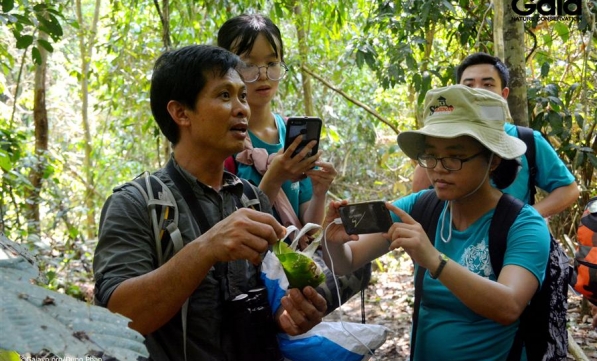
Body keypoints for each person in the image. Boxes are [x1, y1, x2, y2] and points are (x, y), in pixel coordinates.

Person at [93, 45, 327, 360]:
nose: (243, 108)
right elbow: (118, 317)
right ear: (180, 113)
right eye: (224, 95)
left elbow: (258, 304)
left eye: (242, 96)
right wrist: (206, 248)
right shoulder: (137, 203)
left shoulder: (251, 198)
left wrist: (287, 318)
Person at [322, 85, 550, 360]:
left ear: (493, 160)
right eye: (430, 156)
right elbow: (347, 262)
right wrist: (333, 242)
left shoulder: (524, 226)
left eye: (454, 156)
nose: (438, 168)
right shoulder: (421, 207)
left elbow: (509, 306)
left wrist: (434, 260)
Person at [217, 14, 371, 312]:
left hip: (294, 261)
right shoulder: (224, 140)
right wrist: (274, 178)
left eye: (272, 63)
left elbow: (308, 230)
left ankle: (294, 319)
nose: (263, 74)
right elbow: (227, 232)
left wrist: (319, 191)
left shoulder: (290, 133)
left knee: (360, 264)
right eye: (248, 63)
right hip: (249, 271)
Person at [412, 52, 579, 218]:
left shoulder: (527, 140)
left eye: (488, 85)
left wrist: (524, 219)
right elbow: (419, 202)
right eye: (468, 86)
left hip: (510, 242)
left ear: (503, 94)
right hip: (452, 240)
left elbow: (568, 189)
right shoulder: (439, 142)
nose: (477, 91)